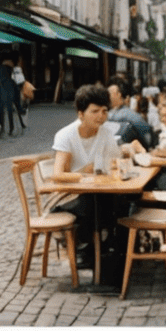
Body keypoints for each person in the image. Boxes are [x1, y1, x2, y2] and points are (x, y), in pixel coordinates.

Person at [51, 83, 123, 280]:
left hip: (96, 196)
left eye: (104, 110)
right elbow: (58, 174)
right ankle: (94, 251)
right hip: (68, 198)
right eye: (95, 111)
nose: (101, 116)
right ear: (80, 113)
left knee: (121, 202)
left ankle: (107, 255)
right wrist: (85, 175)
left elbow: (116, 163)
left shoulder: (106, 133)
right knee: (99, 204)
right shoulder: (66, 135)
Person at [109, 76, 155, 148]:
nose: (107, 96)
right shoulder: (108, 112)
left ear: (118, 94)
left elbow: (147, 134)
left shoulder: (129, 114)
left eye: (110, 93)